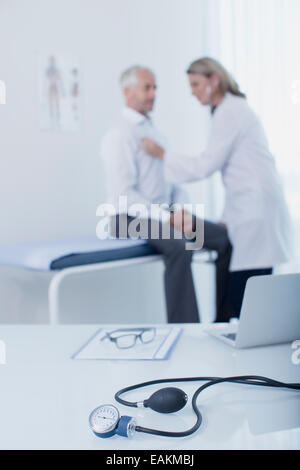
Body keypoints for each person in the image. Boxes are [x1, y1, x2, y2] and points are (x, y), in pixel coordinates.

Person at [142, 57, 292, 320]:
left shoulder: (230, 111)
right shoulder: (231, 110)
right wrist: (227, 217)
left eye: (196, 84)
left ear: (214, 80)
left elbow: (205, 165)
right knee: (246, 297)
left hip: (255, 212)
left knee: (243, 299)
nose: (193, 91)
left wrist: (163, 154)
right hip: (250, 208)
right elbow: (236, 172)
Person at [100, 65, 232, 324]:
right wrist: (167, 217)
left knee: (224, 239)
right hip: (125, 217)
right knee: (181, 245)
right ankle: (185, 330)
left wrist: (181, 210)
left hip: (162, 215)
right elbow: (122, 194)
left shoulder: (154, 133)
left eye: (155, 87)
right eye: (147, 88)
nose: (153, 94)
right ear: (127, 92)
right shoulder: (119, 135)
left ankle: (223, 322)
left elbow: (172, 182)